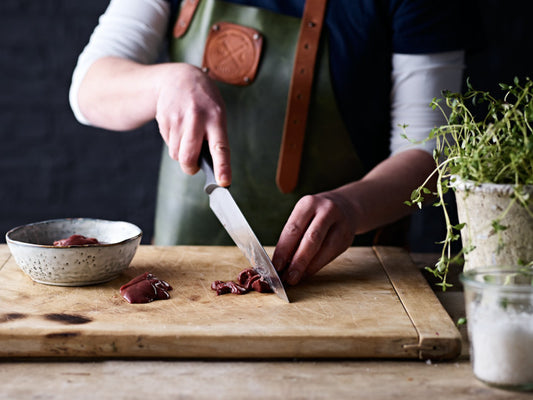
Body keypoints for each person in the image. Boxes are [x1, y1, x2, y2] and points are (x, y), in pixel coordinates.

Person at [70, 0, 465, 286]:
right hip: (181, 276)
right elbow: (88, 92)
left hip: (346, 277)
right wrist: (166, 82)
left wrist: (352, 205)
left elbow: (434, 151)